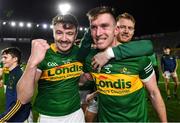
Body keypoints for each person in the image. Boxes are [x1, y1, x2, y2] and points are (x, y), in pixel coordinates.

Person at [83, 6, 167, 122]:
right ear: (116, 28)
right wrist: (96, 93)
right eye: (123, 27)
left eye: (130, 28)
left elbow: (153, 93)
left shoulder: (139, 58)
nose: (126, 31)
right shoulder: (91, 58)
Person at [16, 14, 85, 123]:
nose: (64, 38)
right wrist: (32, 63)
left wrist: (85, 78)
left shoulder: (80, 53)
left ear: (76, 35)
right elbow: (23, 98)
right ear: (53, 32)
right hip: (47, 116)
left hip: (75, 113)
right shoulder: (44, 54)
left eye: (69, 33)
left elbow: (78, 80)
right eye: (59, 33)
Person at [0, 47, 31, 122]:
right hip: (13, 117)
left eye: (5, 57)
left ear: (15, 59)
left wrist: (3, 118)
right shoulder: (12, 73)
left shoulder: (19, 76)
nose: (2, 60)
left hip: (20, 119)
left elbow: (19, 103)